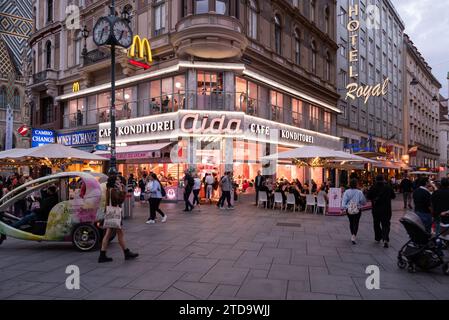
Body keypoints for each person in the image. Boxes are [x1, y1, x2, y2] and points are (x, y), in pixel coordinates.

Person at [99, 174, 138, 263]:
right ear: (113, 182)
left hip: (112, 214)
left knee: (115, 234)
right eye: (117, 180)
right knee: (112, 234)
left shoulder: (110, 189)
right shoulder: (112, 190)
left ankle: (124, 252)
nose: (119, 181)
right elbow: (118, 200)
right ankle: (124, 253)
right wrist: (122, 191)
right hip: (114, 215)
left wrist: (121, 190)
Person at [367, 175, 396, 248]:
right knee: (386, 224)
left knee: (376, 223)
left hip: (376, 209)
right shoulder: (388, 187)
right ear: (383, 180)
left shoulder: (373, 187)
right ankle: (385, 238)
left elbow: (368, 196)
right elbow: (393, 196)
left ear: (376, 180)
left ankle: (378, 237)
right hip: (386, 209)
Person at [342, 179, 367, 245]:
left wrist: (345, 207)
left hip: (349, 209)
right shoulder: (359, 192)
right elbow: (363, 202)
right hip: (357, 209)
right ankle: (354, 235)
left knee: (351, 222)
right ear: (356, 184)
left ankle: (352, 233)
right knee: (356, 222)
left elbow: (344, 202)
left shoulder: (346, 192)